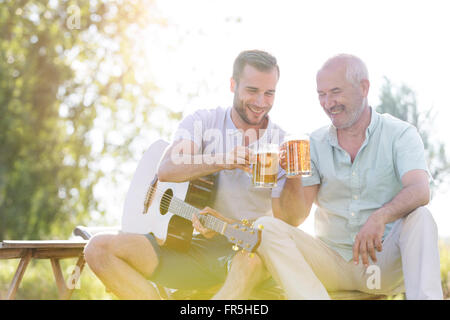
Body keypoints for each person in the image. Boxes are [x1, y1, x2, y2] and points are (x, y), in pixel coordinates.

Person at [83, 49, 304, 299]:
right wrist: (222, 160)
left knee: (251, 262)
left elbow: (290, 221)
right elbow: (167, 169)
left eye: (269, 93)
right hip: (189, 246)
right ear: (233, 85)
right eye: (252, 91)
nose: (261, 102)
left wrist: (295, 175)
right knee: (97, 249)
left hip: (247, 250)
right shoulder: (203, 122)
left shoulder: (282, 144)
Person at [252, 54, 443, 300]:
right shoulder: (313, 143)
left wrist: (380, 216)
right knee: (265, 226)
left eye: (336, 92)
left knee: (421, 217)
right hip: (333, 264)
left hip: (382, 264)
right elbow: (294, 218)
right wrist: (293, 176)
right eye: (321, 94)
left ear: (363, 87)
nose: (328, 102)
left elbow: (420, 190)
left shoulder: (400, 134)